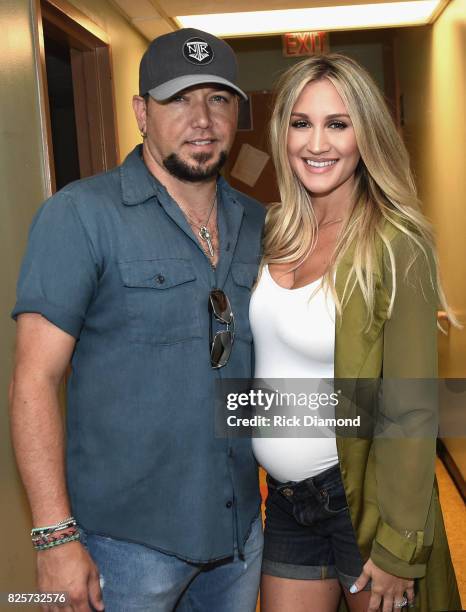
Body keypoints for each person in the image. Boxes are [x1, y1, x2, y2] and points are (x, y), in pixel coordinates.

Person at [9, 28, 265, 612]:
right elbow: (34, 380)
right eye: (178, 98)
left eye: (218, 99)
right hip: (123, 547)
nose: (201, 119)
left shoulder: (261, 222)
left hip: (240, 537)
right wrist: (54, 537)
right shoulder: (78, 215)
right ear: (140, 112)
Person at [249, 54, 461, 612]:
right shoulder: (274, 230)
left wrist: (397, 548)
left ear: (365, 134)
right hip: (289, 505)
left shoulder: (396, 242)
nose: (317, 143)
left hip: (360, 502)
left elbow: (412, 408)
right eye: (301, 123)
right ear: (282, 133)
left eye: (337, 123)